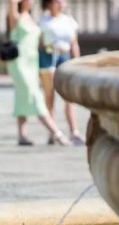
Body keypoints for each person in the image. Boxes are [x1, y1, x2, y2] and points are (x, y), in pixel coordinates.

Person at [6, 0, 70, 146]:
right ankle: (57, 134)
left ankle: (22, 135)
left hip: (33, 63)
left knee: (22, 97)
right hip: (19, 63)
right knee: (35, 97)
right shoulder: (16, 17)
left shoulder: (32, 18)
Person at [39, 0, 84, 146]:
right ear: (49, 3)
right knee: (50, 95)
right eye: (57, 1)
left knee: (69, 96)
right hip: (49, 57)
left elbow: (74, 43)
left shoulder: (69, 21)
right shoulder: (44, 21)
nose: (61, 4)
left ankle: (74, 131)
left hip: (65, 56)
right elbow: (39, 43)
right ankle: (53, 131)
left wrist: (78, 62)